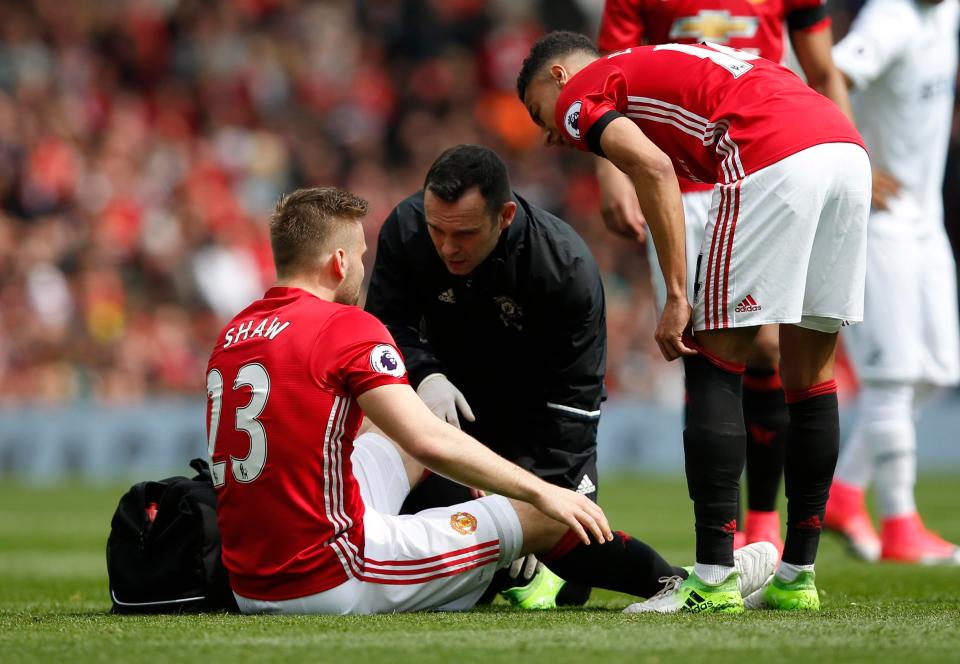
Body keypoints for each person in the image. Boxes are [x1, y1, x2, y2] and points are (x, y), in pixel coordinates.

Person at [204, 185, 776, 615]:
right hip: (330, 576)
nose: (364, 265)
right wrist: (539, 491)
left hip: (249, 580)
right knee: (538, 511)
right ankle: (678, 586)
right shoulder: (346, 325)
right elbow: (427, 440)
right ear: (338, 263)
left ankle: (498, 554)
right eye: (359, 253)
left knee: (404, 424)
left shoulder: (233, 333)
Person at [517, 33, 869, 612]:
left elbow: (653, 168)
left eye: (539, 112)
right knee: (812, 377)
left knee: (709, 355)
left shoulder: (582, 91)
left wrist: (677, 293)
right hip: (844, 149)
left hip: (773, 155)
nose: (551, 133)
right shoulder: (668, 55)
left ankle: (710, 580)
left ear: (557, 76)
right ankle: (796, 577)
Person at [594, 0, 855, 553]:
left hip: (768, 157)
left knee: (765, 346)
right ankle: (725, 529)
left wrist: (845, 145)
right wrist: (613, 172)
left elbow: (824, 69)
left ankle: (761, 519)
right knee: (704, 343)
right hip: (680, 178)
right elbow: (606, 75)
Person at [364, 144, 606, 608]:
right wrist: (426, 375)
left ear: (506, 215)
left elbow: (574, 404)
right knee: (426, 548)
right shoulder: (407, 227)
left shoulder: (563, 268)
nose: (448, 247)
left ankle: (704, 576)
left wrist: (529, 506)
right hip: (452, 415)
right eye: (437, 230)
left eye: (465, 234)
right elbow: (384, 327)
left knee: (571, 581)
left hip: (538, 425)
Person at [823, 0, 960, 565]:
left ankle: (844, 493)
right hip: (878, 224)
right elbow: (826, 76)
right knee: (892, 378)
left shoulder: (946, 12)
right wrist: (853, 156)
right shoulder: (890, 20)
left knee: (937, 372)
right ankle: (901, 524)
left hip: (925, 220)